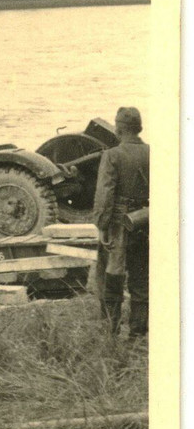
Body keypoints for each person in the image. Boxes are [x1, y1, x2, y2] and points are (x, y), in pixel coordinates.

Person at [93, 107, 150, 338]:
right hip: (145, 222)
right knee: (140, 277)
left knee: (112, 277)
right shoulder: (152, 152)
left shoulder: (112, 155)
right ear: (139, 128)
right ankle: (138, 333)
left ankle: (111, 332)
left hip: (118, 225)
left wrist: (102, 227)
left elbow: (104, 196)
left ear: (118, 129)